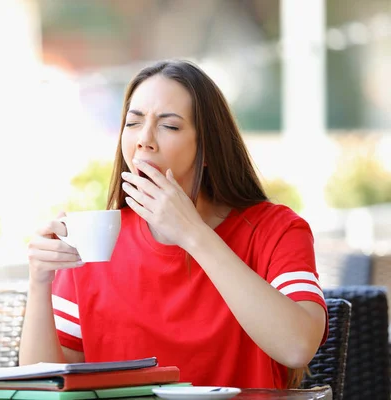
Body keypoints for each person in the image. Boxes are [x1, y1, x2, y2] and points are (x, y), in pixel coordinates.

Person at [19, 59, 328, 390]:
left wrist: (193, 234)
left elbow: (297, 347)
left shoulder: (275, 229)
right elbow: (41, 386)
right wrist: (39, 281)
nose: (144, 140)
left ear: (209, 149)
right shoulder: (97, 239)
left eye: (169, 126)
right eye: (133, 123)